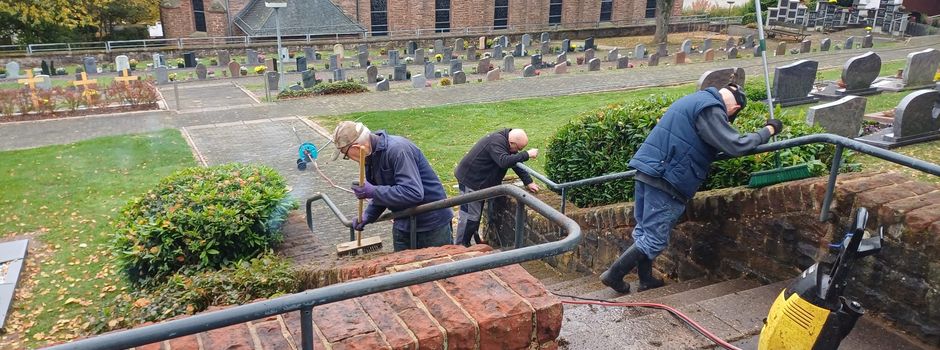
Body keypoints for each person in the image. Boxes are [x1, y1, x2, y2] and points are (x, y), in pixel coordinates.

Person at [600, 83, 783, 294]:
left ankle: (646, 280)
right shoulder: (710, 108)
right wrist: (769, 130)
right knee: (653, 238)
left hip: (648, 171)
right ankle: (614, 275)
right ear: (734, 110)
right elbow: (736, 145)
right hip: (668, 178)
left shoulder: (695, 99)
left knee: (644, 231)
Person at [332, 121, 454, 251]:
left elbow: (413, 193)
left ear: (356, 147)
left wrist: (373, 191)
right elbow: (383, 192)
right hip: (403, 223)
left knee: (437, 269)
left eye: (346, 155)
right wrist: (368, 215)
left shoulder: (398, 150)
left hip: (431, 225)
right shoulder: (369, 157)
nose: (349, 158)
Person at [453, 129, 540, 246]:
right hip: (471, 181)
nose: (518, 151)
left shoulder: (507, 143)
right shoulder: (496, 142)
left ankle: (470, 242)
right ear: (512, 142)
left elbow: (514, 162)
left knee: (474, 216)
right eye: (518, 148)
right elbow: (504, 161)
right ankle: (460, 247)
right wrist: (527, 154)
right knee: (470, 217)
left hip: (481, 183)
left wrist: (528, 181)